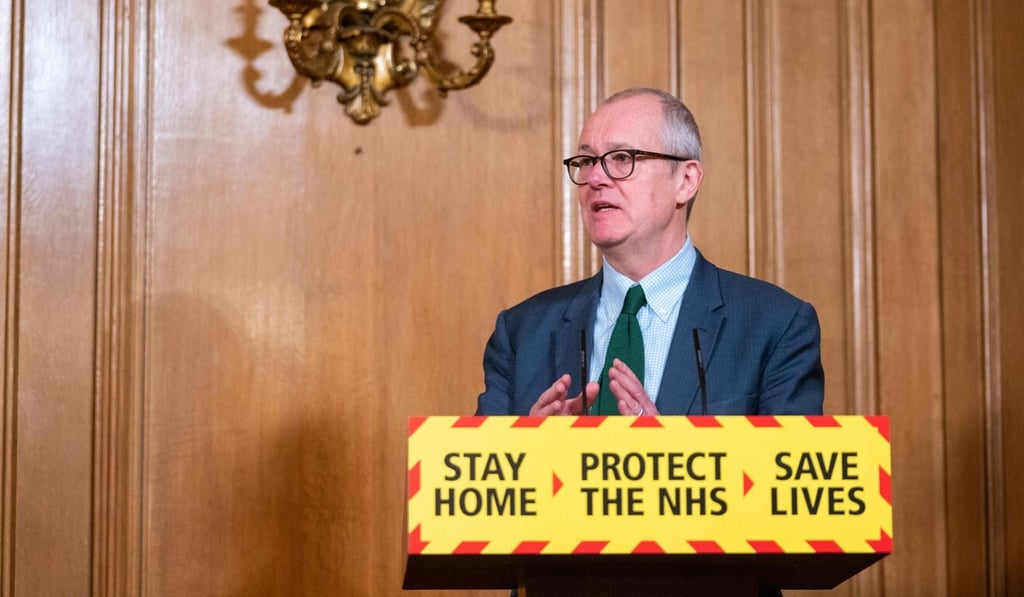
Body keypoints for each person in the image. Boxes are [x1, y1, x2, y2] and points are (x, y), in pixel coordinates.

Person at [475, 87, 823, 418]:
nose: (596, 177)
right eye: (586, 160)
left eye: (622, 158)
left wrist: (669, 457)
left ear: (685, 181)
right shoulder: (522, 333)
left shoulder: (776, 326)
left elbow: (791, 477)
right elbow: (476, 475)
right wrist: (526, 450)